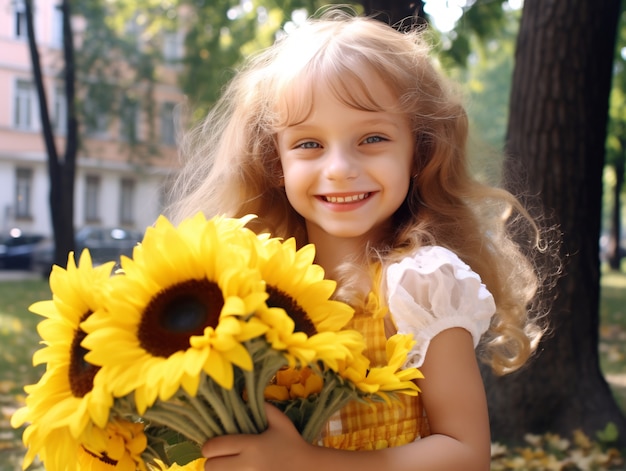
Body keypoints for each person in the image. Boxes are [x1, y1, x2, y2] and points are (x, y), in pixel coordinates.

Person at [166, 7, 556, 471]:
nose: (339, 169)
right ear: (276, 162)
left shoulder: (418, 283)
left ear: (420, 151)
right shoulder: (243, 288)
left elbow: (465, 454)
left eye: (372, 138)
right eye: (309, 144)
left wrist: (303, 462)